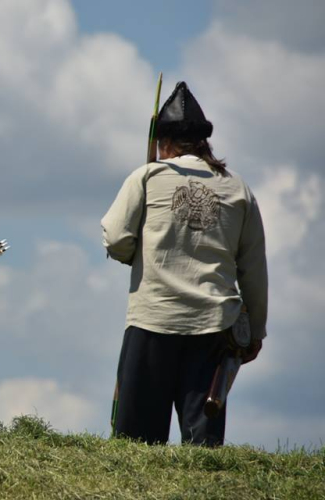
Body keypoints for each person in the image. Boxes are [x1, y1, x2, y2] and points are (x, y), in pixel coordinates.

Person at [101, 82, 268, 446]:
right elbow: (252, 269)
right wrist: (255, 332)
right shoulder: (239, 189)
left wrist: (136, 255)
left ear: (164, 142)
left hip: (152, 322)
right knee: (203, 444)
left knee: (136, 444)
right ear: (203, 141)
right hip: (214, 328)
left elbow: (116, 239)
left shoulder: (145, 177)